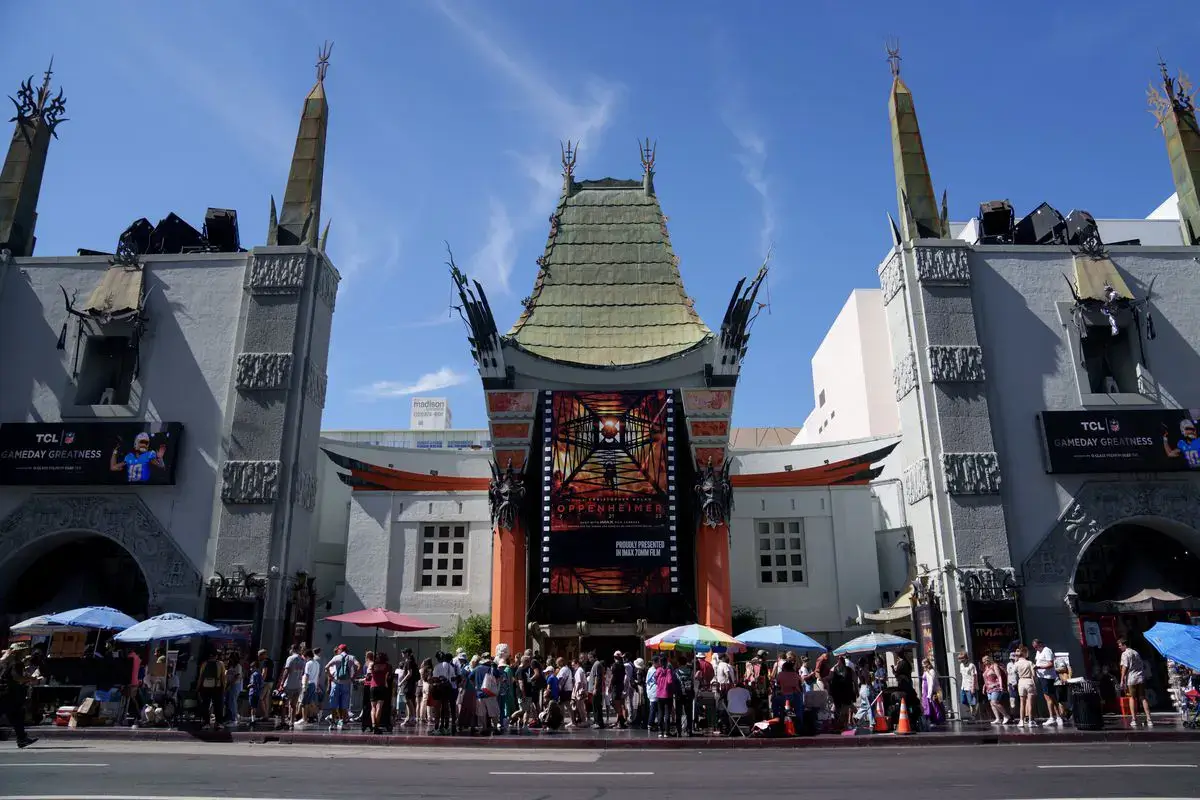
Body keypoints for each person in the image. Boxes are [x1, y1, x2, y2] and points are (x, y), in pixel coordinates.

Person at [0, 643, 37, 748]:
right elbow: (17, 678)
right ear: (19, 652)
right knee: (17, 715)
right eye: (24, 650)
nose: (26, 652)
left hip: (4, 692)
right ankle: (22, 739)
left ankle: (22, 739)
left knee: (17, 716)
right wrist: (31, 679)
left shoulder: (4, 662)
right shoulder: (16, 663)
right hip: (10, 694)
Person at [1118, 638, 1153, 727]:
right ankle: (1149, 719)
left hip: (1132, 678)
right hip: (1140, 677)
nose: (1119, 647)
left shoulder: (1125, 654)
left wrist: (1122, 679)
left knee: (1132, 697)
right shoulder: (1135, 652)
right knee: (1142, 697)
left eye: (1120, 645)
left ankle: (1134, 719)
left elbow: (1124, 667)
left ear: (1124, 645)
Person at [325, 644, 358, 729]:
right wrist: (353, 677)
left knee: (334, 703)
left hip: (336, 683)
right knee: (344, 704)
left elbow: (326, 667)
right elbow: (359, 665)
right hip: (346, 683)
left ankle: (333, 723)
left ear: (340, 650)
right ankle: (343, 723)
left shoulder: (336, 658)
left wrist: (331, 677)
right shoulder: (351, 657)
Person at [1032, 638, 1064, 726]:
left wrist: (1039, 667)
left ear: (1040, 644)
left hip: (1048, 677)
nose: (1035, 649)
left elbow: (1051, 664)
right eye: (1034, 647)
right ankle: (1056, 717)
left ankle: (1053, 717)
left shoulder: (1047, 650)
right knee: (1049, 697)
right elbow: (1037, 661)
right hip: (1042, 677)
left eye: (1036, 647)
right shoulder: (1038, 652)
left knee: (1049, 697)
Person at [196, 648, 226, 729]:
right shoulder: (220, 664)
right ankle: (218, 723)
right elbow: (223, 677)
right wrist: (224, 687)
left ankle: (206, 723)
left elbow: (201, 677)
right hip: (217, 687)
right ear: (216, 656)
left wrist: (198, 687)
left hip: (205, 687)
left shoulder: (204, 664)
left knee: (205, 705)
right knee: (218, 705)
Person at [279, 644, 305, 729]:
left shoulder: (290, 658)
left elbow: (286, 671)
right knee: (293, 705)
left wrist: (281, 683)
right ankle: (291, 722)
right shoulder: (302, 659)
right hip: (298, 685)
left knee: (283, 704)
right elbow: (303, 673)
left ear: (292, 649)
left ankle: (283, 721)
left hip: (289, 685)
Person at [981, 655, 1011, 725]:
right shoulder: (986, 668)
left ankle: (1006, 716)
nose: (985, 663)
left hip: (996, 687)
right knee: (992, 703)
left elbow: (999, 676)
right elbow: (986, 678)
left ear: (988, 660)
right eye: (983, 662)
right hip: (989, 688)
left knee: (995, 702)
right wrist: (984, 686)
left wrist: (1001, 686)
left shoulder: (994, 666)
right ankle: (997, 718)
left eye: (985, 661)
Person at [368, 650, 391, 733]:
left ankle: (373, 725)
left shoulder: (372, 664)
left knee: (373, 707)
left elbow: (369, 673)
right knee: (379, 707)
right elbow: (386, 677)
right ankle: (377, 726)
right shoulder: (387, 666)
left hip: (373, 686)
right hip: (382, 687)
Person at [1014, 646, 1037, 727]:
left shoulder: (1016, 664)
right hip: (1029, 681)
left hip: (1021, 681)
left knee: (1022, 703)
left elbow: (1013, 673)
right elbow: (1033, 675)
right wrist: (1035, 684)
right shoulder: (1029, 662)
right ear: (1025, 653)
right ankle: (1030, 721)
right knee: (1030, 703)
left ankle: (1021, 721)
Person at [957, 651, 978, 721]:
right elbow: (963, 675)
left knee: (972, 702)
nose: (960, 660)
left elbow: (974, 676)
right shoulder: (961, 665)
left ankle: (973, 716)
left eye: (961, 659)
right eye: (959, 659)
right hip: (963, 686)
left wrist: (973, 687)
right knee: (963, 701)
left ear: (966, 658)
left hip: (970, 685)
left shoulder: (971, 665)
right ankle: (972, 712)